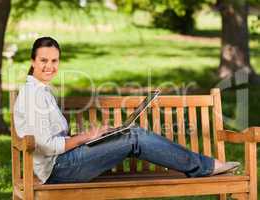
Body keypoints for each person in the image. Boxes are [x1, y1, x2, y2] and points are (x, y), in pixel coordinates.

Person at [13, 37, 240, 184]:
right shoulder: (33, 95)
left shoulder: (41, 91)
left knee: (128, 134)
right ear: (33, 61)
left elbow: (53, 138)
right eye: (44, 60)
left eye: (54, 60)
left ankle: (203, 166)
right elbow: (46, 145)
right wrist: (86, 137)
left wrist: (96, 137)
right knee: (133, 137)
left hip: (63, 162)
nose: (49, 66)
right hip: (58, 169)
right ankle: (205, 167)